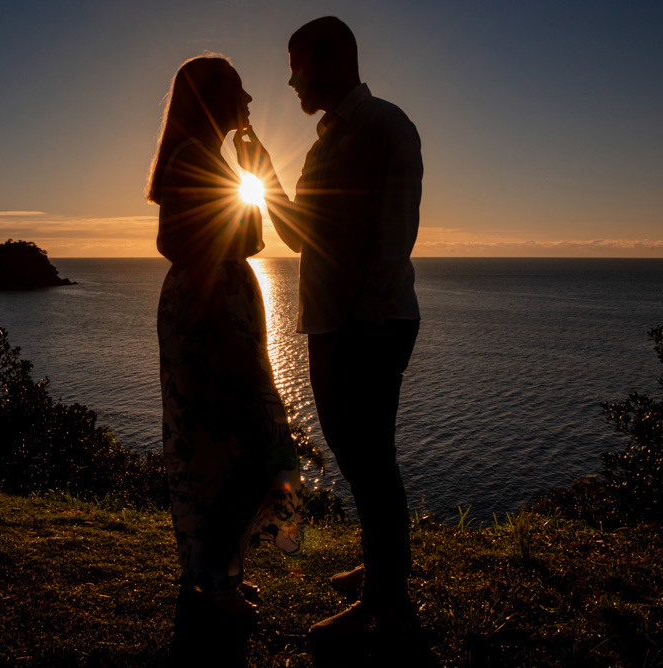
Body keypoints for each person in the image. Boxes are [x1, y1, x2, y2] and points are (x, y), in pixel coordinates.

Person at [234, 15, 423, 647]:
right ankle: (382, 572)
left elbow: (394, 241)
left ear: (332, 57)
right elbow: (299, 235)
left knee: (372, 462)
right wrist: (265, 177)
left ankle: (387, 606)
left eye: (296, 63)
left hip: (365, 327)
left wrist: (356, 330)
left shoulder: (385, 127)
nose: (289, 79)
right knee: (357, 457)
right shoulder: (322, 144)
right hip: (332, 326)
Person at [147, 55, 303, 664]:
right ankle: (214, 586)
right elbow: (235, 240)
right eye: (240, 90)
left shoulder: (198, 157)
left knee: (226, 448)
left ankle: (218, 576)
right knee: (237, 445)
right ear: (214, 99)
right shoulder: (193, 159)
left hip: (212, 309)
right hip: (212, 316)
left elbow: (235, 237)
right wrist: (256, 172)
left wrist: (252, 172)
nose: (251, 101)